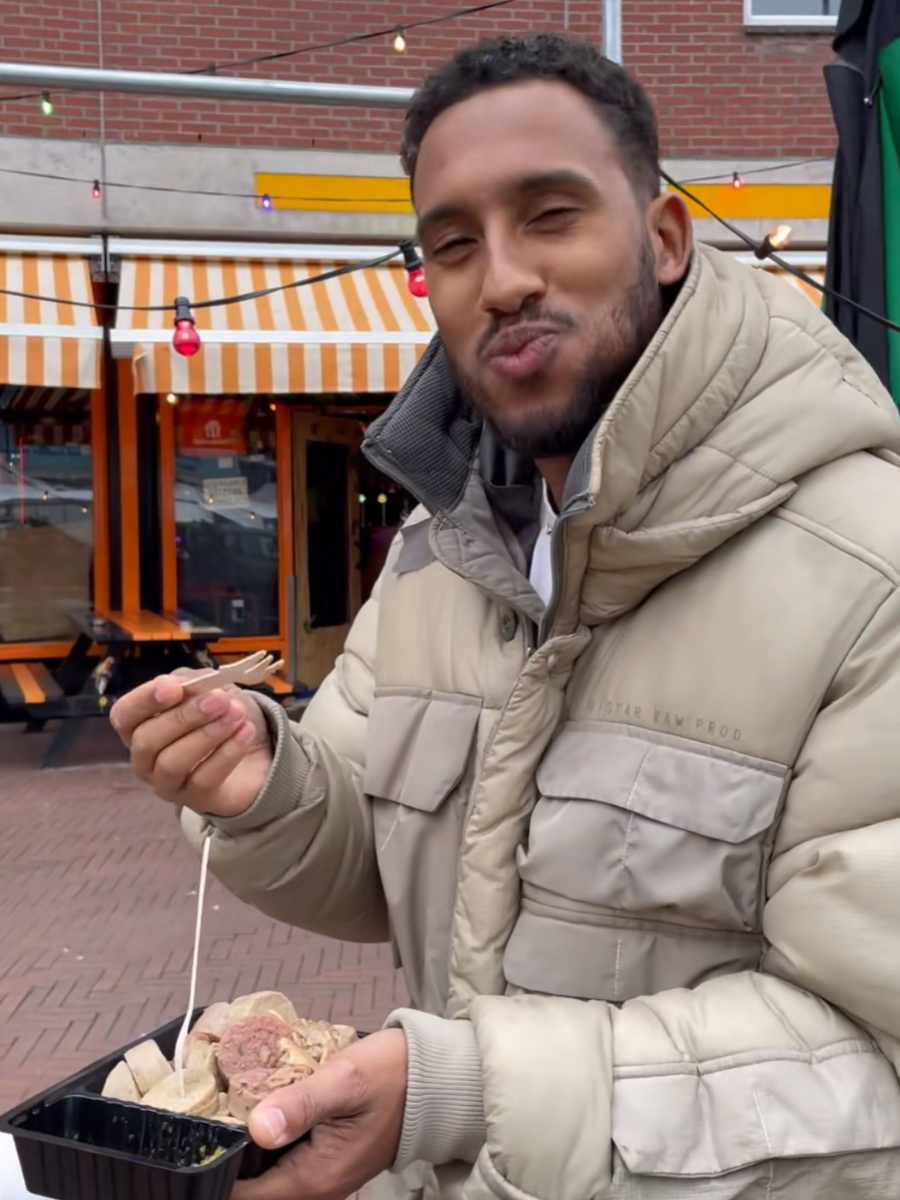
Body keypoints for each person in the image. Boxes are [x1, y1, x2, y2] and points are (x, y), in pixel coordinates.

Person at [110, 32, 900, 1200]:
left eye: (552, 215)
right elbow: (375, 865)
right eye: (455, 243)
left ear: (666, 237)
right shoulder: (439, 551)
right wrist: (266, 790)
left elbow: (873, 1066)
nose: (504, 277)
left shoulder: (870, 569)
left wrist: (467, 1091)